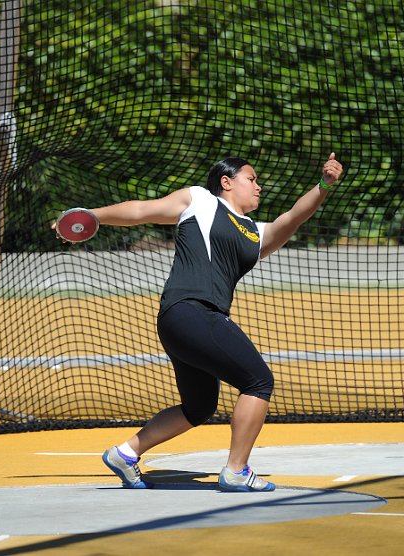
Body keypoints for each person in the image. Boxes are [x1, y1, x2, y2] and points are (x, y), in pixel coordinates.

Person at [78, 153, 342, 492]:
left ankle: (126, 454)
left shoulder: (254, 233)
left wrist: (324, 186)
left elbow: (292, 218)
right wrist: (90, 216)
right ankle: (236, 470)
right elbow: (142, 210)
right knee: (258, 382)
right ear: (227, 182)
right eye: (252, 179)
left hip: (186, 321)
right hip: (191, 311)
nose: (259, 186)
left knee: (199, 407)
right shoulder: (200, 200)